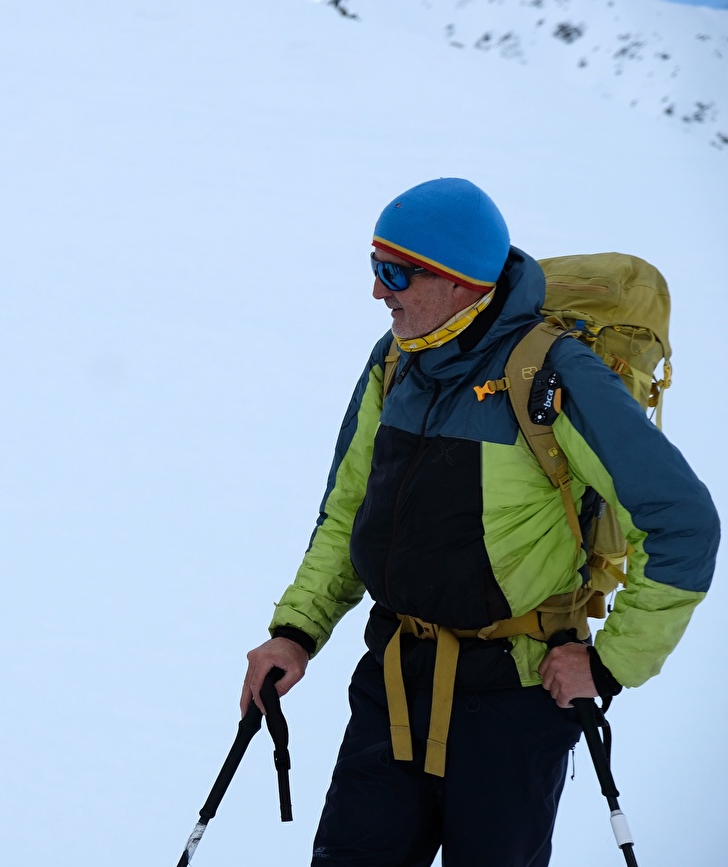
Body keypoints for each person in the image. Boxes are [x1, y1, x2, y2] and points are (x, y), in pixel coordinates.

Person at [239, 179, 718, 866]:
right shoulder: (395, 363)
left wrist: (609, 664)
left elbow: (683, 523)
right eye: (375, 266)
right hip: (394, 684)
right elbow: (348, 511)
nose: (379, 291)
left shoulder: (553, 376)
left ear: (462, 281)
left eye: (396, 272)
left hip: (513, 701)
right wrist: (296, 632)